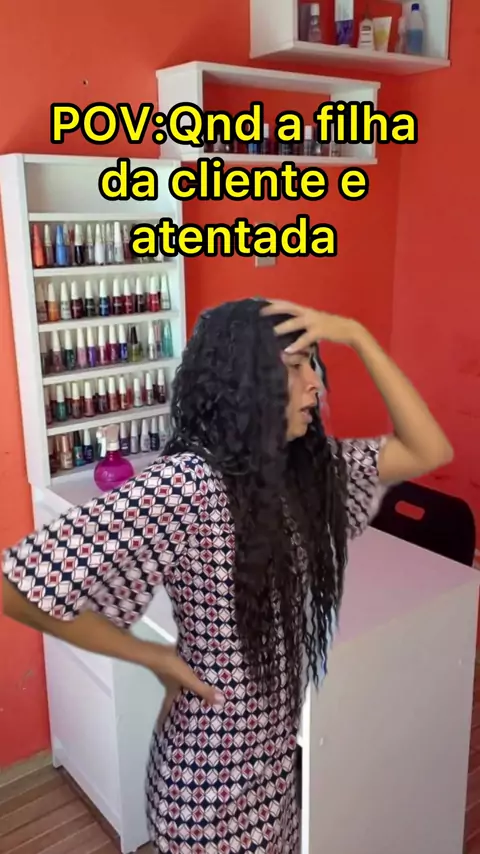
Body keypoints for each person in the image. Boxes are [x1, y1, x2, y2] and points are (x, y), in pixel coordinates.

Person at [2, 297, 453, 853]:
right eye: (296, 367)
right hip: (208, 791)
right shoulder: (189, 484)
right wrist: (155, 657)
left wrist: (358, 334)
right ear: (245, 380)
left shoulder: (302, 471)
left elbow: (428, 449)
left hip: (273, 774)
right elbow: (19, 588)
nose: (316, 385)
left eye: (315, 365)